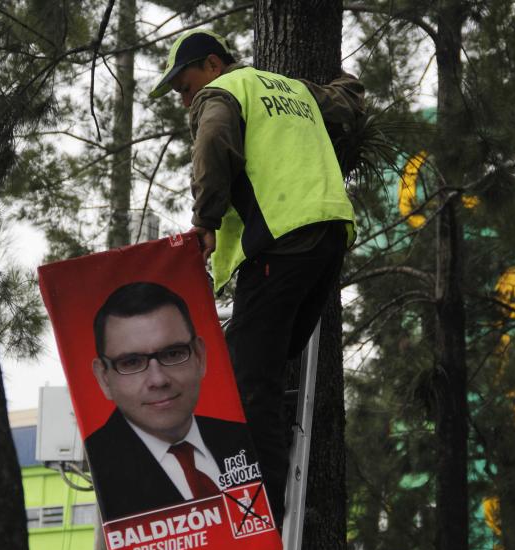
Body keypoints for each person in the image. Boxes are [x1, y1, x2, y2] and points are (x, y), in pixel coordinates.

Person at [149, 29, 363, 519]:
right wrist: (346, 83)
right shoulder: (292, 89)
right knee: (270, 355)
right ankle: (278, 457)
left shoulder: (223, 92)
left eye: (185, 87)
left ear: (211, 65)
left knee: (251, 380)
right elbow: (348, 102)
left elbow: (213, 140)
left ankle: (263, 509)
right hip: (327, 239)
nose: (186, 101)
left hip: (279, 244)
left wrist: (205, 221)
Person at [86, 281, 262, 521]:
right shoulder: (103, 461)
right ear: (104, 378)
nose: (158, 380)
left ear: (200, 357)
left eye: (173, 354)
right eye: (132, 363)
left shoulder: (241, 436)